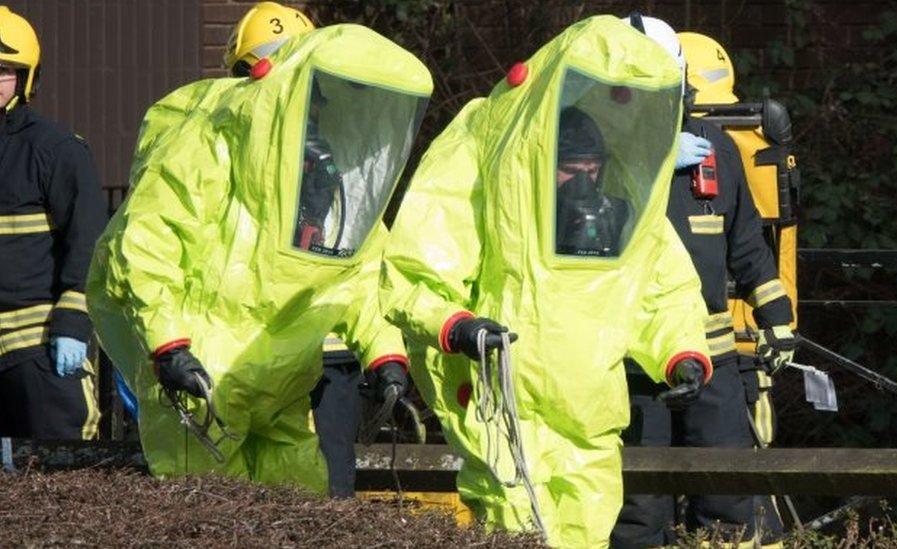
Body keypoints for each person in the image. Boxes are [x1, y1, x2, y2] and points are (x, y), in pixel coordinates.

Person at [380, 16, 711, 547]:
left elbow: (661, 286)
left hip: (590, 409)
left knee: (587, 528)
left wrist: (681, 352)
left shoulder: (623, 210)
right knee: (516, 526)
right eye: (568, 166)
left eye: (591, 166)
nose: (582, 180)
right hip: (505, 400)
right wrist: (456, 326)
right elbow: (418, 265)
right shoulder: (491, 155)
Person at [87, 21, 430, 493]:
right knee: (208, 512)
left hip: (286, 383)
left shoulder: (323, 176)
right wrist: (169, 345)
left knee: (301, 508)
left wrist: (384, 352)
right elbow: (147, 247)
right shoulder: (207, 144)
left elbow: (360, 270)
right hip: (205, 376)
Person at [611, 17, 797, 548]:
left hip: (713, 362)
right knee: (638, 510)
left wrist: (778, 320)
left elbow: (746, 247)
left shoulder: (714, 147)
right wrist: (646, 165)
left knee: (727, 504)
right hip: (635, 364)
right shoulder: (593, 152)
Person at [221, 1, 411, 499]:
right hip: (241, 365)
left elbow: (371, 273)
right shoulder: (217, 169)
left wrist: (385, 352)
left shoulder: (339, 178)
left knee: (326, 504)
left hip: (329, 368)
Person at [0, 6, 105, 440]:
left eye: (3, 70)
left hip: (37, 351)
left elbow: (89, 245)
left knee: (65, 484)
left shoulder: (55, 150)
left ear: (26, 79)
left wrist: (73, 326)